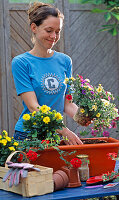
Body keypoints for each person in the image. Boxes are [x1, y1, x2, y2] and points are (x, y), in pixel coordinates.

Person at [11, 2, 83, 145]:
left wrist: (84, 117)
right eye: (49, 30)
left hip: (54, 135)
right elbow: (33, 107)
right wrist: (64, 130)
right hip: (28, 135)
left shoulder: (65, 61)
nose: (54, 36)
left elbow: (67, 104)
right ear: (34, 28)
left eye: (58, 31)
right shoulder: (21, 62)